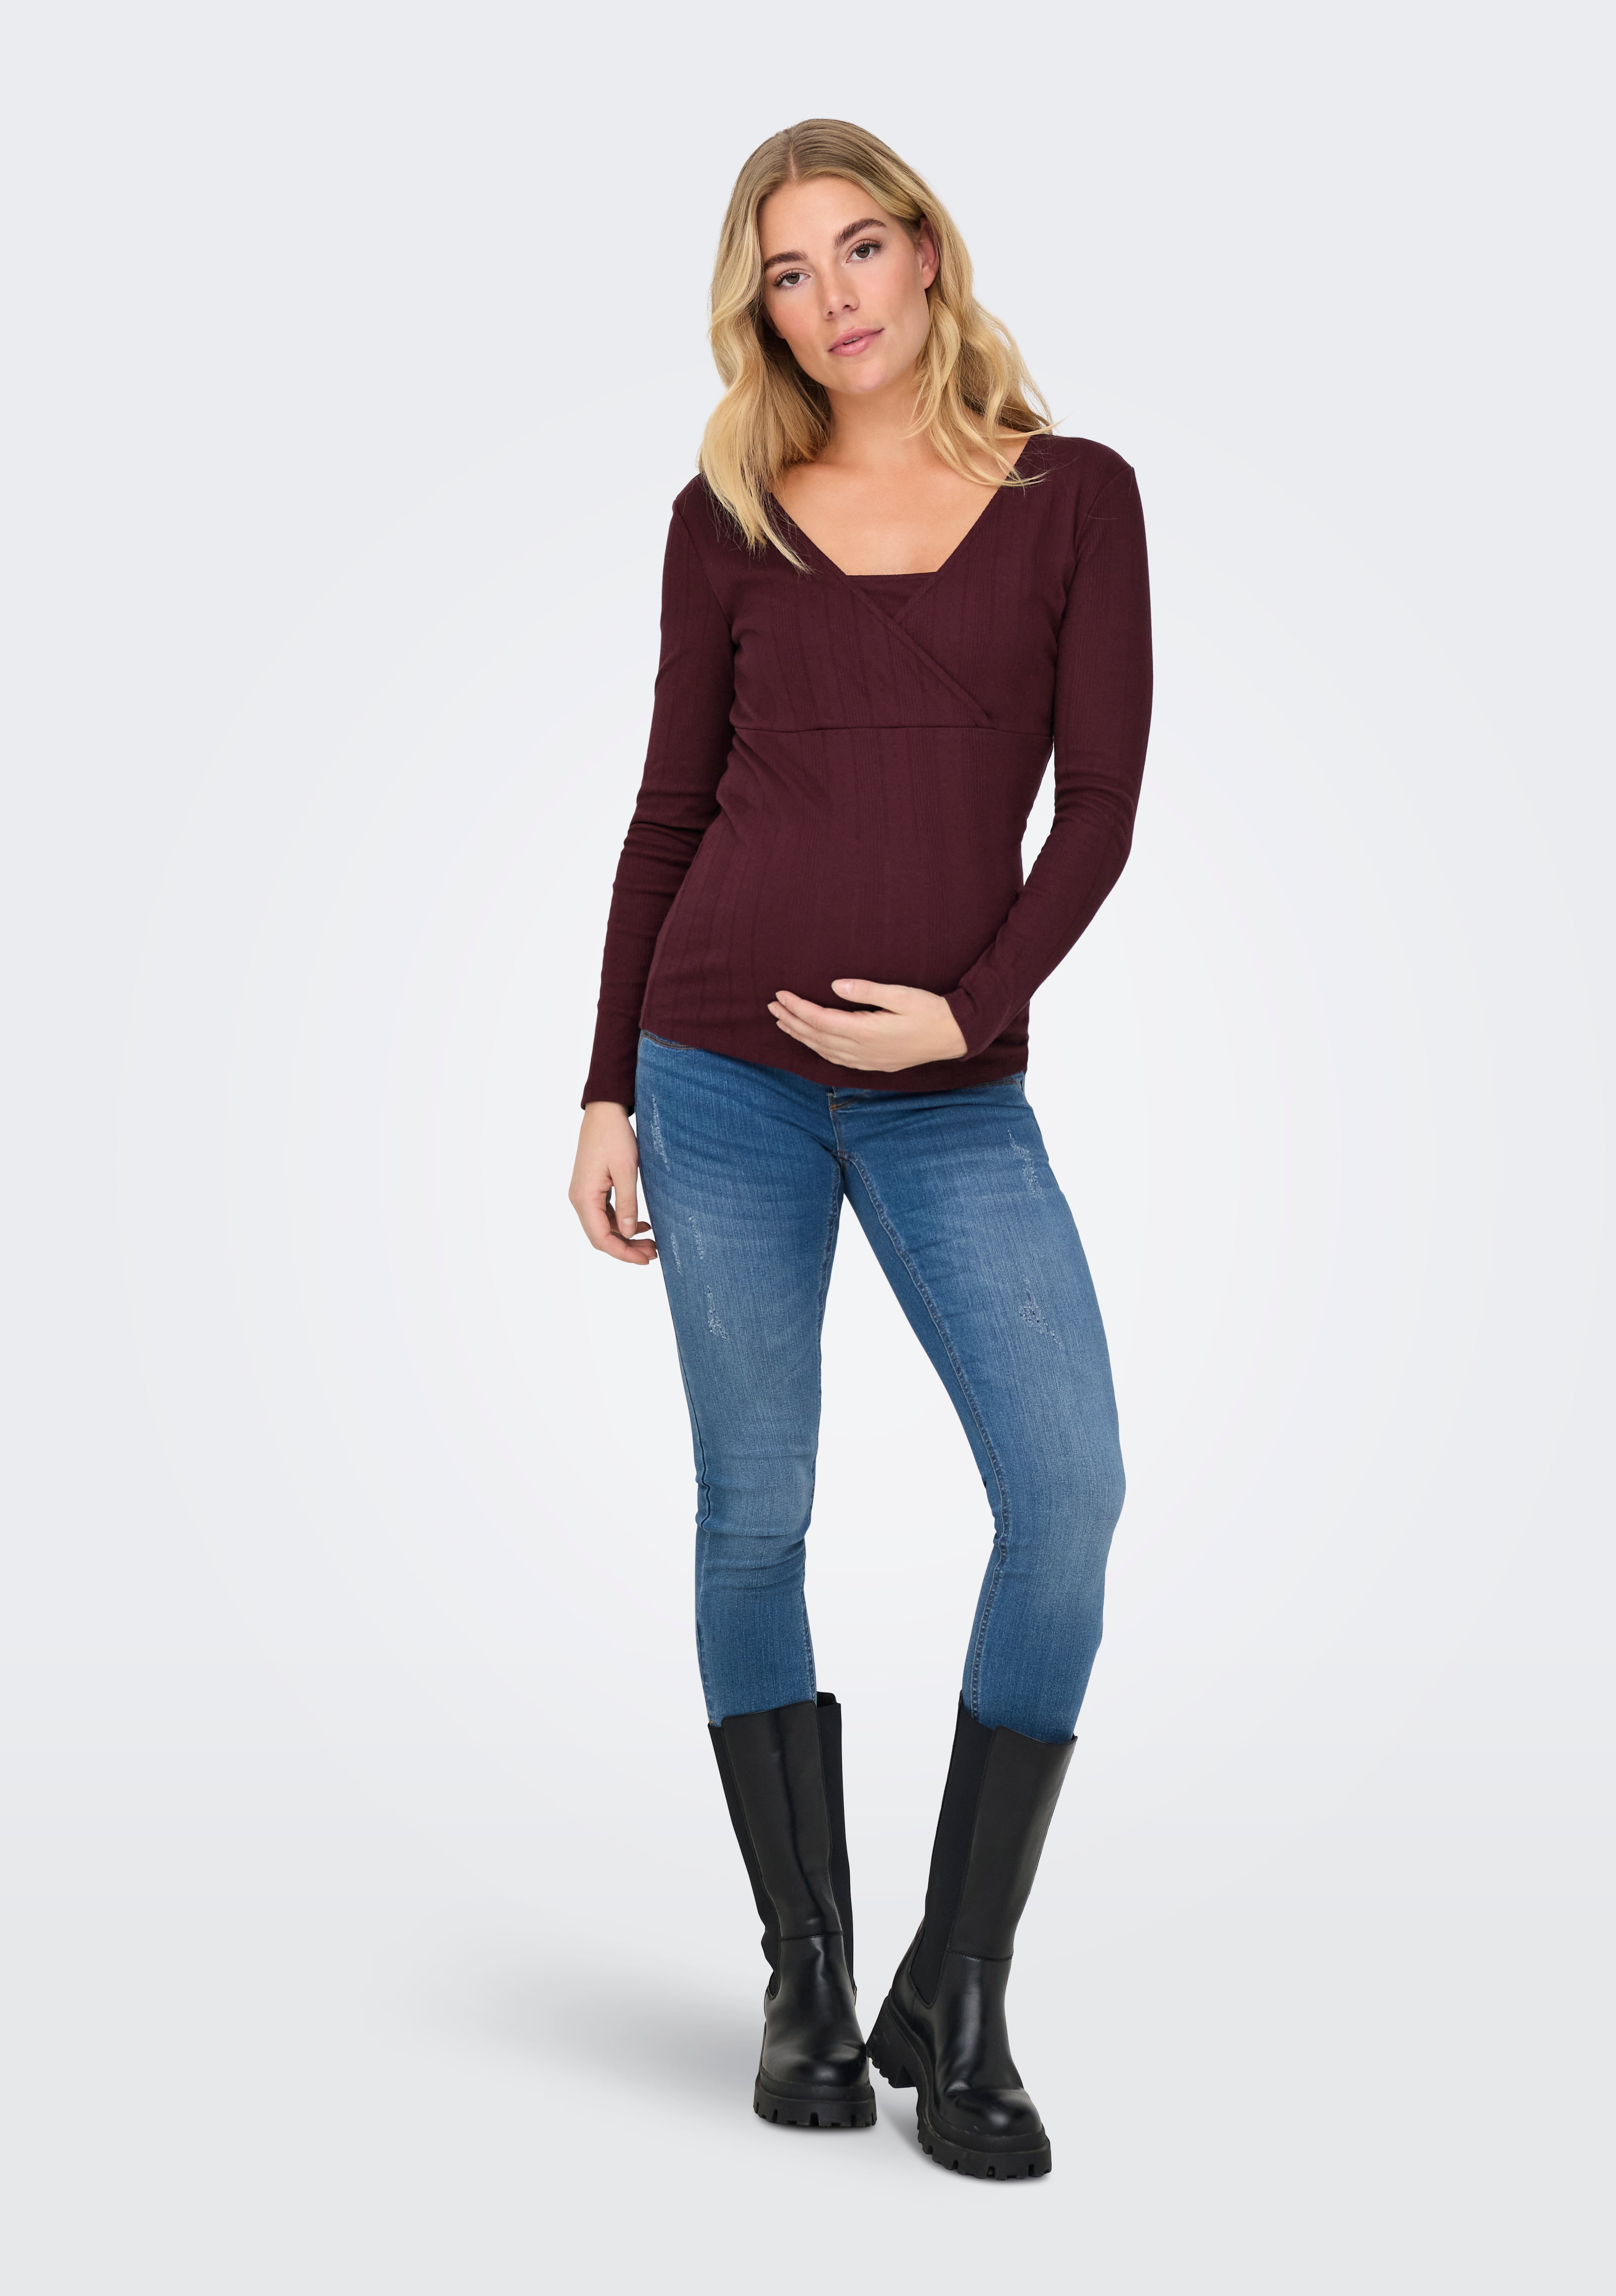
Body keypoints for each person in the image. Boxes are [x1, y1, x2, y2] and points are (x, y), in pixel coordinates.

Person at [569, 118, 1151, 2181]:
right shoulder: (724, 513)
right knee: (756, 1514)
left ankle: (955, 1993)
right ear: (761, 310)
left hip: (950, 1091)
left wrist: (969, 1012)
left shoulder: (1076, 496)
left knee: (1065, 1500)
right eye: (788, 271)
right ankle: (805, 1978)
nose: (833, 298)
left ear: (927, 253)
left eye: (860, 248)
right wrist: (605, 1086)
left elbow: (1098, 807)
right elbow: (669, 809)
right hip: (716, 1067)